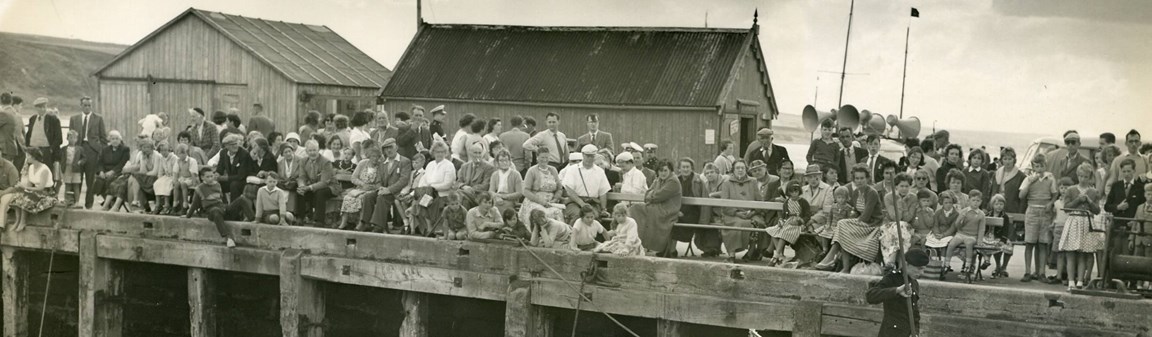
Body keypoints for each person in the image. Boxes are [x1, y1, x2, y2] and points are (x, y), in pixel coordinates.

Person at [815, 164, 884, 273]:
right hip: (862, 223)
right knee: (843, 229)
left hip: (873, 225)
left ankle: (832, 256)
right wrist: (851, 216)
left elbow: (866, 216)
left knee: (842, 225)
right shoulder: (856, 192)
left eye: (862, 178)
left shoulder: (872, 193)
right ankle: (844, 267)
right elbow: (855, 211)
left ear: (867, 179)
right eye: (857, 178)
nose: (859, 181)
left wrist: (851, 221)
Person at [1058, 164, 1103, 290]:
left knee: (1084, 252)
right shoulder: (1071, 190)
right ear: (1078, 176)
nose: (1083, 179)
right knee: (1071, 252)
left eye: (1086, 177)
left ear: (1090, 178)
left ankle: (1080, 281)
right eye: (1081, 176)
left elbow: (1097, 210)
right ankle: (1071, 280)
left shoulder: (1094, 192)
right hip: (1074, 221)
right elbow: (1066, 208)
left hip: (1087, 222)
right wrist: (1078, 200)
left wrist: (1089, 201)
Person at [866, 248, 928, 337]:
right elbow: (870, 296)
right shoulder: (892, 278)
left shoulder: (914, 283)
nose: (922, 273)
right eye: (919, 268)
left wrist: (915, 333)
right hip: (891, 333)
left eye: (923, 269)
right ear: (906, 264)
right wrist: (896, 290)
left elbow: (915, 315)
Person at [358, 138, 412, 233]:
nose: (389, 150)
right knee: (368, 196)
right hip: (384, 190)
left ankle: (378, 226)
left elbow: (403, 180)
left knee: (382, 198)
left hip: (398, 192)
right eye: (386, 148)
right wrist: (380, 188)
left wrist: (389, 190)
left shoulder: (404, 161)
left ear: (396, 148)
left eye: (391, 147)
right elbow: (379, 179)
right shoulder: (382, 163)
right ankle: (365, 223)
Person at [1019, 153, 1058, 282]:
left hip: (1045, 212)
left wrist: (1050, 203)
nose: (1039, 169)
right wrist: (1030, 182)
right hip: (1032, 211)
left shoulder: (1050, 178)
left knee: (1043, 244)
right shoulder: (1028, 179)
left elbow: (1054, 194)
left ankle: (1041, 273)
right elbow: (1021, 195)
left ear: (1045, 166)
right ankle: (1027, 272)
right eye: (1037, 166)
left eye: (1042, 166)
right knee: (1029, 243)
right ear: (1033, 167)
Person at [0, 149, 57, 231]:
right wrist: (23, 189)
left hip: (46, 192)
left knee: (26, 199)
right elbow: (29, 184)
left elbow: (41, 187)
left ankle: (23, 222)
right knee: (18, 197)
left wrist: (26, 188)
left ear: (34, 157)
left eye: (28, 156)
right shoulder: (31, 167)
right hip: (35, 190)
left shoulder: (44, 169)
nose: (27, 158)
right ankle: (17, 221)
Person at [717, 160, 762, 262]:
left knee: (759, 223)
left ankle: (751, 252)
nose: (740, 170)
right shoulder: (727, 183)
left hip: (750, 214)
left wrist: (753, 212)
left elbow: (759, 201)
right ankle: (731, 255)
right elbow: (724, 204)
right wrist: (736, 212)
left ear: (746, 169)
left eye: (742, 168)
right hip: (733, 214)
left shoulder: (753, 182)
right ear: (733, 170)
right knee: (736, 225)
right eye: (737, 168)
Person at [185, 168, 237, 248]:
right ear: (202, 178)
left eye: (212, 176)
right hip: (211, 211)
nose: (210, 179)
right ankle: (228, 238)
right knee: (215, 211)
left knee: (241, 199)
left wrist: (226, 206)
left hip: (221, 207)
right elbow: (194, 204)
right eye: (208, 177)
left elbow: (222, 199)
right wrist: (188, 215)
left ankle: (253, 219)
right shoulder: (199, 188)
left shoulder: (217, 185)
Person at [413, 141, 457, 235]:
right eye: (437, 152)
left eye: (442, 152)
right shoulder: (430, 165)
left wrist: (432, 188)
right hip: (429, 192)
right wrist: (422, 190)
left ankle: (434, 228)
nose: (439, 154)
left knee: (432, 202)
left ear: (445, 153)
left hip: (443, 194)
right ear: (433, 153)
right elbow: (424, 180)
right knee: (421, 201)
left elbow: (448, 184)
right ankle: (428, 227)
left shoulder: (449, 165)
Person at [1105, 158, 1147, 255]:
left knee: (1128, 255)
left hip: (1132, 229)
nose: (1126, 174)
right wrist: (1118, 207)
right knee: (1115, 255)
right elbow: (1107, 206)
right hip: (1117, 227)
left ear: (1134, 171)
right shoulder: (1116, 186)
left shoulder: (1140, 187)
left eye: (1129, 171)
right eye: (1124, 171)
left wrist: (1135, 221)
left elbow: (1143, 208)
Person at [338, 139, 382, 230]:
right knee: (348, 197)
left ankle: (361, 223)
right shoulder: (362, 163)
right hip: (360, 188)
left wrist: (372, 187)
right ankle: (344, 222)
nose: (375, 159)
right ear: (369, 156)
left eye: (377, 157)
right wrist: (362, 184)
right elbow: (353, 178)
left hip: (372, 190)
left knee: (363, 198)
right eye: (373, 156)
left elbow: (380, 182)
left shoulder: (380, 166)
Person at [763, 181, 809, 266]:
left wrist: (801, 221)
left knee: (784, 232)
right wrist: (781, 221)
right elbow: (784, 215)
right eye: (792, 191)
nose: (794, 193)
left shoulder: (803, 202)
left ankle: (776, 256)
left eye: (796, 191)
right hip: (787, 222)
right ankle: (780, 256)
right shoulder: (787, 202)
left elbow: (807, 215)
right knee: (773, 231)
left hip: (797, 224)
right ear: (789, 192)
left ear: (799, 191)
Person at [517, 147, 565, 226]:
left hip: (551, 203)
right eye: (542, 157)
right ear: (537, 157)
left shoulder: (553, 170)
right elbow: (525, 191)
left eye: (547, 157)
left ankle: (557, 235)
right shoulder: (532, 171)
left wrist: (555, 199)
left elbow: (559, 188)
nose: (544, 160)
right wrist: (541, 201)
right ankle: (539, 234)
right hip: (534, 201)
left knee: (557, 212)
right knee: (542, 213)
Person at [296, 139, 337, 226]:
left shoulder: (326, 162)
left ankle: (319, 221)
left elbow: (324, 182)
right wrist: (302, 186)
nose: (312, 153)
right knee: (300, 191)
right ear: (306, 151)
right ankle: (300, 218)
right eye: (310, 150)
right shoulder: (303, 161)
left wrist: (309, 187)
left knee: (320, 193)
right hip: (312, 186)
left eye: (314, 150)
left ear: (318, 150)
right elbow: (301, 177)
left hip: (330, 187)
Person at [944, 190, 984, 277]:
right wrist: (961, 218)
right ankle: (946, 264)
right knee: (952, 243)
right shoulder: (964, 211)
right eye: (973, 200)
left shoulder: (981, 214)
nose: (975, 203)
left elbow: (981, 229)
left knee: (969, 244)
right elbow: (957, 225)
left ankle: (968, 266)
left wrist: (980, 240)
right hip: (961, 233)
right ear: (969, 201)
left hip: (972, 235)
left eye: (978, 201)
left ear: (981, 202)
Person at [123, 138, 162, 213]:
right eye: (144, 147)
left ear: (152, 147)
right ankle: (136, 202)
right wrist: (143, 159)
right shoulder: (141, 155)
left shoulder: (157, 155)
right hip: (147, 177)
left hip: (156, 177)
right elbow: (142, 170)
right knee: (135, 178)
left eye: (148, 147)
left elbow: (155, 172)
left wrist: (143, 175)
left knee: (137, 177)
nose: (146, 149)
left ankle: (136, 201)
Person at [26, 98, 63, 176]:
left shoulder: (53, 119)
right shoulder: (32, 118)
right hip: (33, 150)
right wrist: (27, 148)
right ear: (36, 108)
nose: (42, 109)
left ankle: (48, 187)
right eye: (40, 107)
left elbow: (58, 138)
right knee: (33, 172)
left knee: (47, 173)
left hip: (46, 150)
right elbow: (29, 134)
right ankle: (32, 187)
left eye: (44, 107)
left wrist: (51, 149)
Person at [456, 143, 497, 208]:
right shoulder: (464, 166)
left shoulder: (489, 167)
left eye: (479, 153)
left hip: (479, 196)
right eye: (475, 153)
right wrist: (464, 187)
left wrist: (470, 189)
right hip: (465, 194)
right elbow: (458, 182)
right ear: (470, 153)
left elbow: (485, 185)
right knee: (464, 200)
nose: (478, 155)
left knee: (459, 194)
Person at [216, 134, 255, 202]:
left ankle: (234, 209)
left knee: (234, 185)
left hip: (244, 180)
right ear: (226, 146)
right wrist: (216, 175)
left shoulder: (244, 154)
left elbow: (241, 176)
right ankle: (223, 206)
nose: (235, 146)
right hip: (231, 179)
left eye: (236, 144)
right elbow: (220, 168)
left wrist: (223, 178)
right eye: (232, 144)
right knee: (216, 184)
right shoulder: (223, 153)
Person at [985, 194, 1014, 278]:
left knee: (1007, 246)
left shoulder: (1005, 216)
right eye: (997, 204)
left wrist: (1003, 239)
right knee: (986, 244)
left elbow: (1006, 230)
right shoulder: (988, 214)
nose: (999, 206)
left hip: (1000, 237)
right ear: (992, 205)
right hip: (989, 236)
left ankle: (1002, 267)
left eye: (1001, 204)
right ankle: (992, 263)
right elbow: (985, 228)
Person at [993, 147, 1025, 215]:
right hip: (996, 209)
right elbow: (992, 192)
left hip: (1012, 210)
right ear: (1001, 160)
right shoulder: (996, 173)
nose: (1007, 162)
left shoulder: (1021, 176)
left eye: (1010, 159)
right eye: (1005, 159)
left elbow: (1023, 199)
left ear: (1014, 160)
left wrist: (1020, 214)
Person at [59, 131, 83, 207]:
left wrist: (80, 162)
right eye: (70, 138)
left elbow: (84, 158)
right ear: (67, 138)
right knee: (67, 185)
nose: (72, 140)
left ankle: (77, 202)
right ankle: (67, 200)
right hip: (67, 168)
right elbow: (61, 158)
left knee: (76, 185)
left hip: (76, 169)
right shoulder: (63, 148)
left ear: (77, 139)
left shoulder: (79, 149)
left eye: (74, 138)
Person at [151, 142, 176, 214]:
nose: (163, 152)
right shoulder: (161, 158)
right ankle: (158, 204)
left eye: (165, 150)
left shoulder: (173, 158)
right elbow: (160, 170)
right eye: (162, 150)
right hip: (167, 176)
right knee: (157, 183)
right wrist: (159, 178)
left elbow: (176, 170)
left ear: (169, 150)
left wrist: (174, 179)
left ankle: (167, 205)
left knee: (167, 184)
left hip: (173, 176)